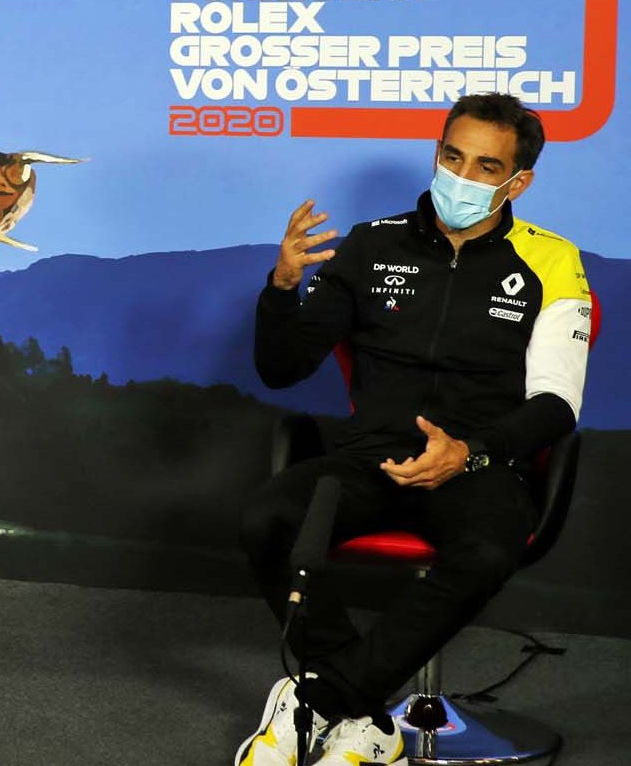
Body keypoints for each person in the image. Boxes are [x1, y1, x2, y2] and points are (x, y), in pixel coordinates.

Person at [235, 93, 591, 765]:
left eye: (488, 166)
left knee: (486, 554)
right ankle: (365, 715)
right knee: (265, 519)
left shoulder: (552, 261)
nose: (463, 176)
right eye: (453, 156)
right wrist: (282, 287)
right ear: (437, 154)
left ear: (520, 182)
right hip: (371, 458)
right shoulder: (372, 244)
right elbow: (282, 367)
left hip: (480, 467)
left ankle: (320, 699)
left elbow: (556, 404)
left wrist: (472, 453)